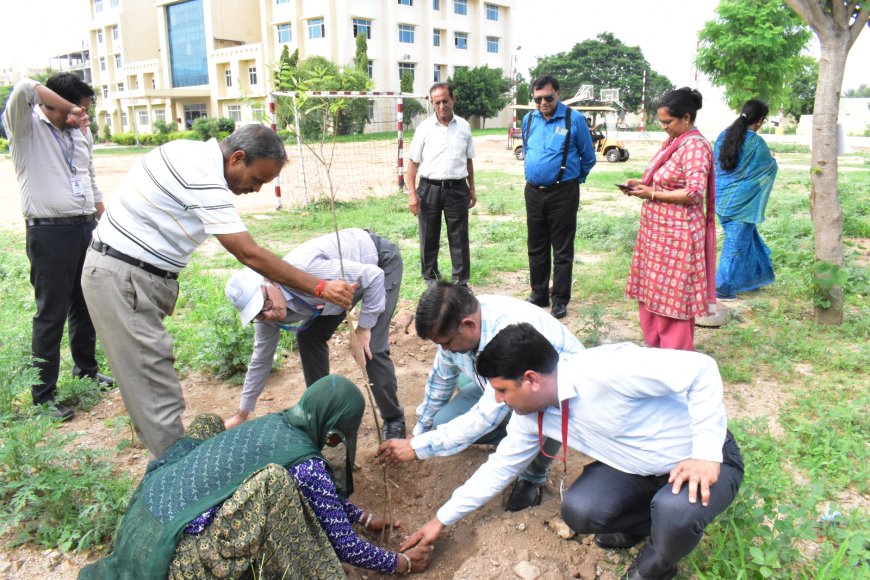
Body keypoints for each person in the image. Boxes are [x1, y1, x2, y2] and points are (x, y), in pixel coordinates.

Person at [81, 124, 355, 459]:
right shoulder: (201, 173)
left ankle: (177, 471)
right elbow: (248, 253)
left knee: (154, 387)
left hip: (128, 276)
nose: (255, 190)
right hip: (123, 280)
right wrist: (321, 286)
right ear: (237, 158)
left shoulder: (188, 153)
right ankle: (182, 488)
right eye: (257, 180)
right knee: (156, 396)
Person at [401, 323, 743, 580]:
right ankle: (645, 523)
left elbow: (701, 369)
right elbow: (499, 468)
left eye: (503, 390)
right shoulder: (532, 415)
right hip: (636, 470)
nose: (498, 400)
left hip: (698, 461)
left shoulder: (606, 371)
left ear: (532, 379)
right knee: (580, 512)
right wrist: (440, 521)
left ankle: (657, 564)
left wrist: (705, 451)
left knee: (674, 512)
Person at [79, 375, 433, 578]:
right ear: (334, 431)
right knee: (275, 486)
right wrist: (401, 563)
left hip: (141, 524)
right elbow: (341, 543)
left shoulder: (276, 424)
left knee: (208, 426)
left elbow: (323, 500)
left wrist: (365, 517)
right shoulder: (305, 464)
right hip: (176, 563)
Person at [377, 282, 582, 511]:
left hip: (545, 395)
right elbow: (441, 381)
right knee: (442, 422)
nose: (444, 350)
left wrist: (418, 448)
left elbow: (486, 415)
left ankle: (533, 475)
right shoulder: (461, 319)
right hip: (499, 387)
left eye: (446, 343)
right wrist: (419, 433)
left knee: (538, 418)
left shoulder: (506, 329)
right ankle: (514, 441)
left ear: (467, 325)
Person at [2, 73, 113, 421]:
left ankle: (87, 371)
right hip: (48, 233)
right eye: (75, 110)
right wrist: (69, 108)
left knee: (86, 305)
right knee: (50, 314)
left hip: (85, 227)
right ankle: (43, 397)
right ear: (50, 102)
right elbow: (22, 88)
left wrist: (102, 219)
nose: (81, 118)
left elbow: (89, 175)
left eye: (84, 111)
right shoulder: (25, 128)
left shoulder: (82, 133)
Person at [224, 228, 406, 440]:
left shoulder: (305, 270)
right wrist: (242, 413)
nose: (268, 313)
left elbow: (373, 276)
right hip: (336, 293)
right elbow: (260, 360)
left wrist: (363, 328)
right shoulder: (266, 316)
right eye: (257, 313)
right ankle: (325, 414)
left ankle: (394, 420)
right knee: (309, 337)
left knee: (369, 346)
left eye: (265, 303)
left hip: (376, 263)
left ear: (270, 280)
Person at [620, 87, 716, 351]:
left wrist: (650, 193)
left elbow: (694, 192)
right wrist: (641, 185)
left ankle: (676, 358)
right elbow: (667, 184)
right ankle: (657, 349)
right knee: (654, 292)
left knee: (674, 298)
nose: (663, 127)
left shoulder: (694, 146)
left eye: (667, 122)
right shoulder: (675, 142)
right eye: (661, 122)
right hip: (659, 235)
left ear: (686, 118)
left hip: (678, 236)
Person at [522, 75, 596, 319]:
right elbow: (527, 147)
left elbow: (588, 157)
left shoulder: (573, 119)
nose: (543, 103)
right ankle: (539, 293)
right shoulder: (529, 120)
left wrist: (572, 179)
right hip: (533, 192)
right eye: (537, 99)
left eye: (548, 98)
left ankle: (560, 299)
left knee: (562, 249)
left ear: (558, 94)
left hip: (563, 192)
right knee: (536, 246)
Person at [406, 82, 476, 287]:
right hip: (429, 190)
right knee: (428, 236)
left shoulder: (464, 126)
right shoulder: (424, 128)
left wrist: (472, 187)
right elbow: (412, 164)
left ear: (452, 100)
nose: (442, 106)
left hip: (457, 188)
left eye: (445, 101)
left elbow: (469, 159)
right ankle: (431, 279)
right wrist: (412, 194)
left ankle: (460, 282)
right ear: (432, 103)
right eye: (437, 102)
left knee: (459, 237)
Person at [713, 99, 777, 301]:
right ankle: (722, 289)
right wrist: (773, 160)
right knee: (734, 247)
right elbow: (767, 169)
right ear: (760, 120)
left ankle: (754, 279)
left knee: (749, 241)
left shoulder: (724, 135)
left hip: (722, 202)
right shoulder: (757, 143)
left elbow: (717, 168)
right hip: (741, 207)